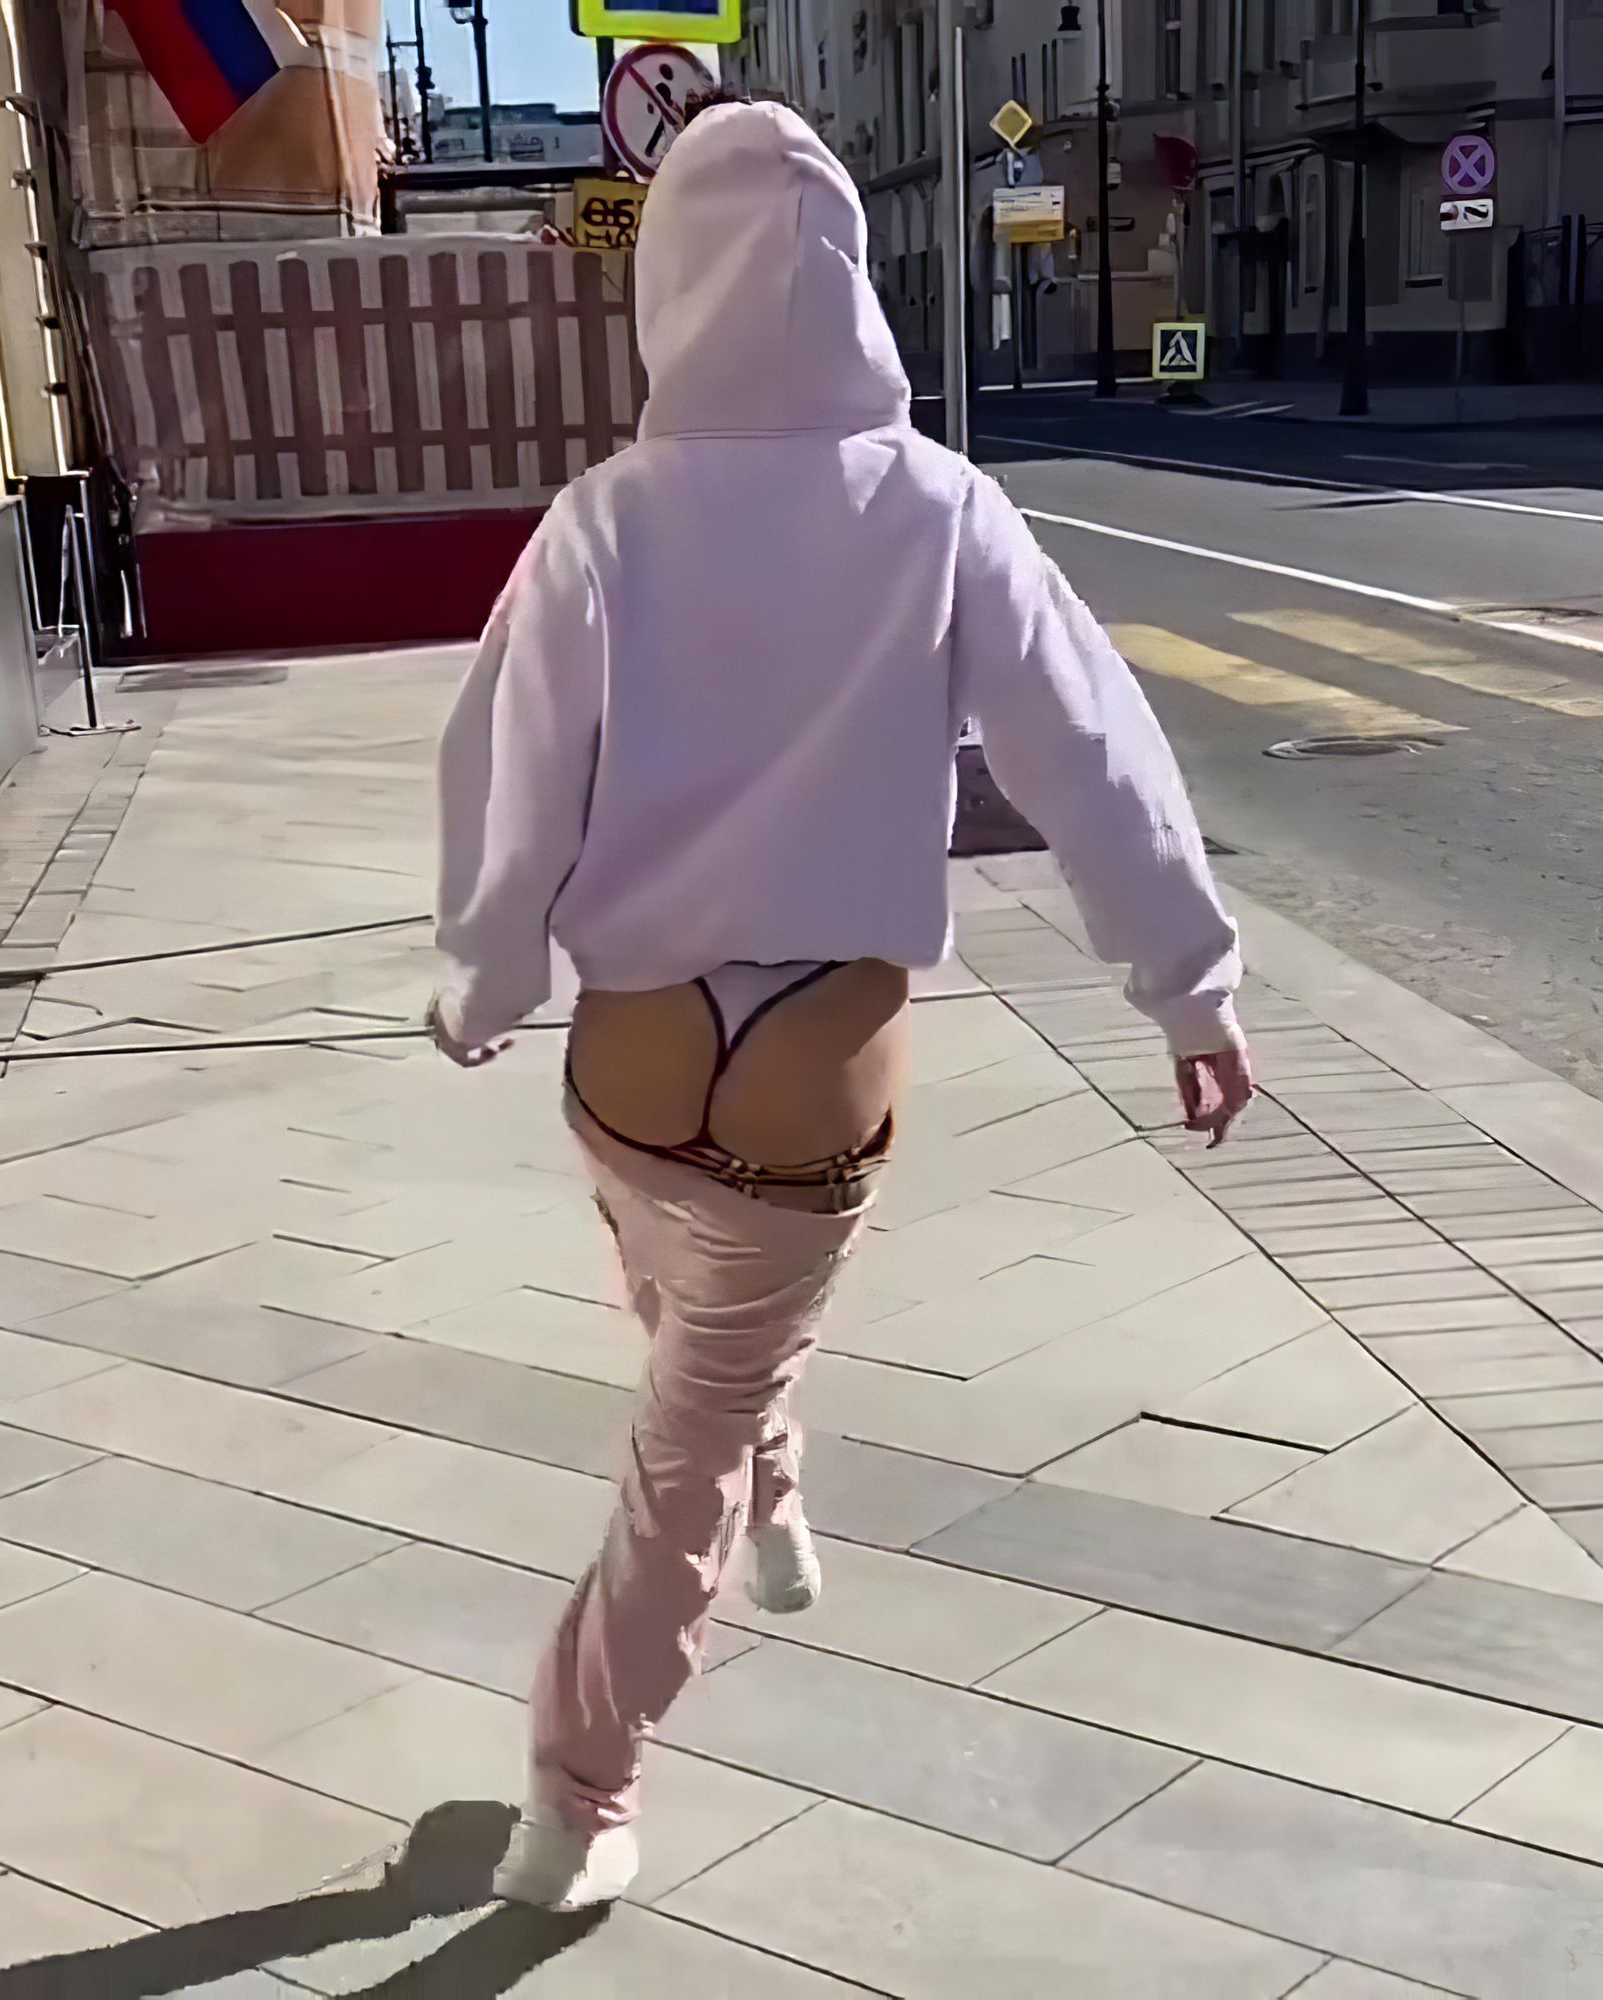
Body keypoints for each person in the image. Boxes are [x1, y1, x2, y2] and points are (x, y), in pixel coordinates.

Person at [430, 98, 1254, 1913]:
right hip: (821, 1057)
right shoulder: (941, 510)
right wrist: (1187, 988)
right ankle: (579, 1792)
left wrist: (485, 969)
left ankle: (754, 1511)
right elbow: (1094, 755)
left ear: (667, 288)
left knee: (691, 1350)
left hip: (630, 1053)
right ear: (854, 283)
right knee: (692, 1423)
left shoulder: (604, 522)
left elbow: (511, 764)